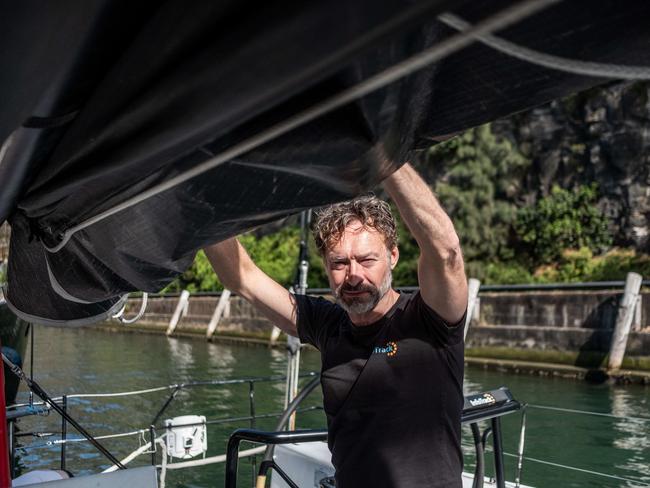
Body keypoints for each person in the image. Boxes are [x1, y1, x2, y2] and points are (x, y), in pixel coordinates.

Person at [205, 163, 467, 488]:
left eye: (367, 260)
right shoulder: (326, 325)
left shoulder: (430, 320)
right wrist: (202, 202)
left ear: (394, 256)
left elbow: (446, 251)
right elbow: (242, 278)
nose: (353, 275)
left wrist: (384, 155)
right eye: (339, 263)